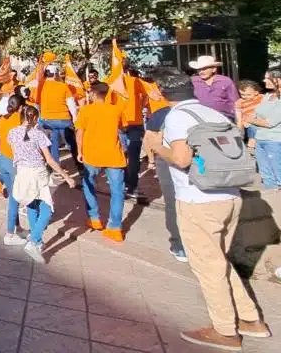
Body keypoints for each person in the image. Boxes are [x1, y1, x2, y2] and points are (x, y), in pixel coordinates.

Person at [144, 68, 270, 351]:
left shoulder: (176, 117)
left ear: (163, 92)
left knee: (208, 267)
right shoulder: (212, 112)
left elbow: (180, 158)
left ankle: (225, 330)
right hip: (230, 195)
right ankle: (250, 319)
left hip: (198, 200)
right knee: (220, 259)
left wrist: (156, 146)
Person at [7, 105, 75, 263]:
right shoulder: (39, 135)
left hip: (22, 173)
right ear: (36, 118)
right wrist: (66, 176)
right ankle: (34, 241)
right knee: (47, 208)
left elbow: (15, 153)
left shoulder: (12, 133)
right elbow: (50, 160)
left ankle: (36, 240)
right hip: (38, 173)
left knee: (32, 205)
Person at [144, 73, 188, 263]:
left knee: (173, 203)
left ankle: (179, 246)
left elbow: (150, 140)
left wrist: (152, 159)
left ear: (163, 93)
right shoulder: (208, 111)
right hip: (204, 168)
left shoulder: (162, 114)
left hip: (171, 164)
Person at [75, 82, 126, 242]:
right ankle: (115, 228)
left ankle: (94, 218)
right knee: (117, 192)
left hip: (92, 155)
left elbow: (79, 133)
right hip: (114, 156)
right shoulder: (116, 109)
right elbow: (122, 130)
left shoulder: (85, 110)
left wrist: (79, 151)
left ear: (93, 94)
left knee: (88, 185)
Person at [247, 68, 281, 188]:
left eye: (268, 77)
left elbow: (269, 123)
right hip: (261, 140)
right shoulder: (267, 96)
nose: (264, 80)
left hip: (278, 142)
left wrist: (249, 120)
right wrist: (252, 119)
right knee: (267, 176)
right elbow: (256, 114)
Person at [0, 95, 26, 245]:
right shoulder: (19, 121)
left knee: (14, 195)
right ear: (20, 107)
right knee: (15, 199)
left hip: (2, 158)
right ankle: (9, 234)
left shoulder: (2, 118)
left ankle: (18, 227)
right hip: (12, 162)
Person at [37, 66, 79, 170]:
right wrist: (75, 118)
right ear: (55, 74)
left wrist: (39, 118)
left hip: (46, 120)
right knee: (71, 143)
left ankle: (55, 167)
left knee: (52, 145)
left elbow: (37, 104)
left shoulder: (40, 86)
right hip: (63, 120)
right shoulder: (63, 86)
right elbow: (71, 104)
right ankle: (79, 165)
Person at [116, 66, 149, 199]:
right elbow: (146, 99)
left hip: (119, 124)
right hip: (135, 122)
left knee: (122, 155)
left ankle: (122, 185)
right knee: (134, 156)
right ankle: (132, 187)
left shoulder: (110, 82)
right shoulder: (137, 81)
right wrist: (139, 106)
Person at [189, 55, 239, 120]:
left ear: (214, 69)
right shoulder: (192, 81)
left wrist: (238, 120)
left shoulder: (225, 81)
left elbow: (235, 101)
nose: (201, 72)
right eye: (199, 69)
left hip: (224, 117)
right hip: (200, 118)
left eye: (204, 69)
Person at [235, 80, 264, 148]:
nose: (245, 97)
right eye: (242, 94)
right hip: (249, 121)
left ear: (256, 92)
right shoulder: (239, 102)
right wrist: (240, 126)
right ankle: (251, 143)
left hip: (261, 119)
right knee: (253, 128)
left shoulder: (261, 97)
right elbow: (238, 116)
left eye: (248, 94)